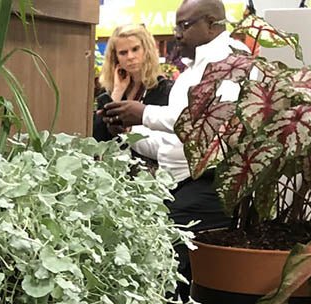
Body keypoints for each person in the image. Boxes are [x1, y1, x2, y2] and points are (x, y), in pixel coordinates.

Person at [102, 0, 248, 232]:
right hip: (177, 183)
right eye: (176, 28)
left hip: (207, 184)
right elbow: (169, 145)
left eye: (185, 26)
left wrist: (144, 114)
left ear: (211, 24)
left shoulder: (230, 60)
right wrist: (129, 132)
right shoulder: (192, 72)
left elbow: (207, 120)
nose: (178, 35)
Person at [93, 24, 172, 143]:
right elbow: (97, 138)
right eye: (123, 53)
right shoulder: (109, 90)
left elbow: (165, 139)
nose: (130, 57)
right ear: (115, 57)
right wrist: (117, 91)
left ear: (146, 50)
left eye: (135, 49)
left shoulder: (164, 89)